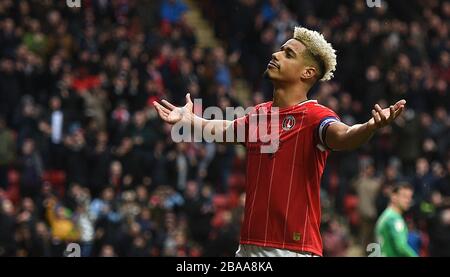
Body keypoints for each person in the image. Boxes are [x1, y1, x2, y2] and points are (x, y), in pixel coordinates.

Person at [153, 26, 406, 257]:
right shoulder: (261, 115)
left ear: (308, 72)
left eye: (288, 53)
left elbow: (344, 136)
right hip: (249, 247)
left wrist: (370, 126)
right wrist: (189, 119)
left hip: (290, 249)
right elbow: (224, 128)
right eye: (280, 49)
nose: (276, 54)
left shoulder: (315, 116)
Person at [375, 183, 418, 257]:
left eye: (410, 197)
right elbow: (401, 246)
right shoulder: (394, 219)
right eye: (404, 196)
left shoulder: (386, 215)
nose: (408, 200)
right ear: (394, 197)